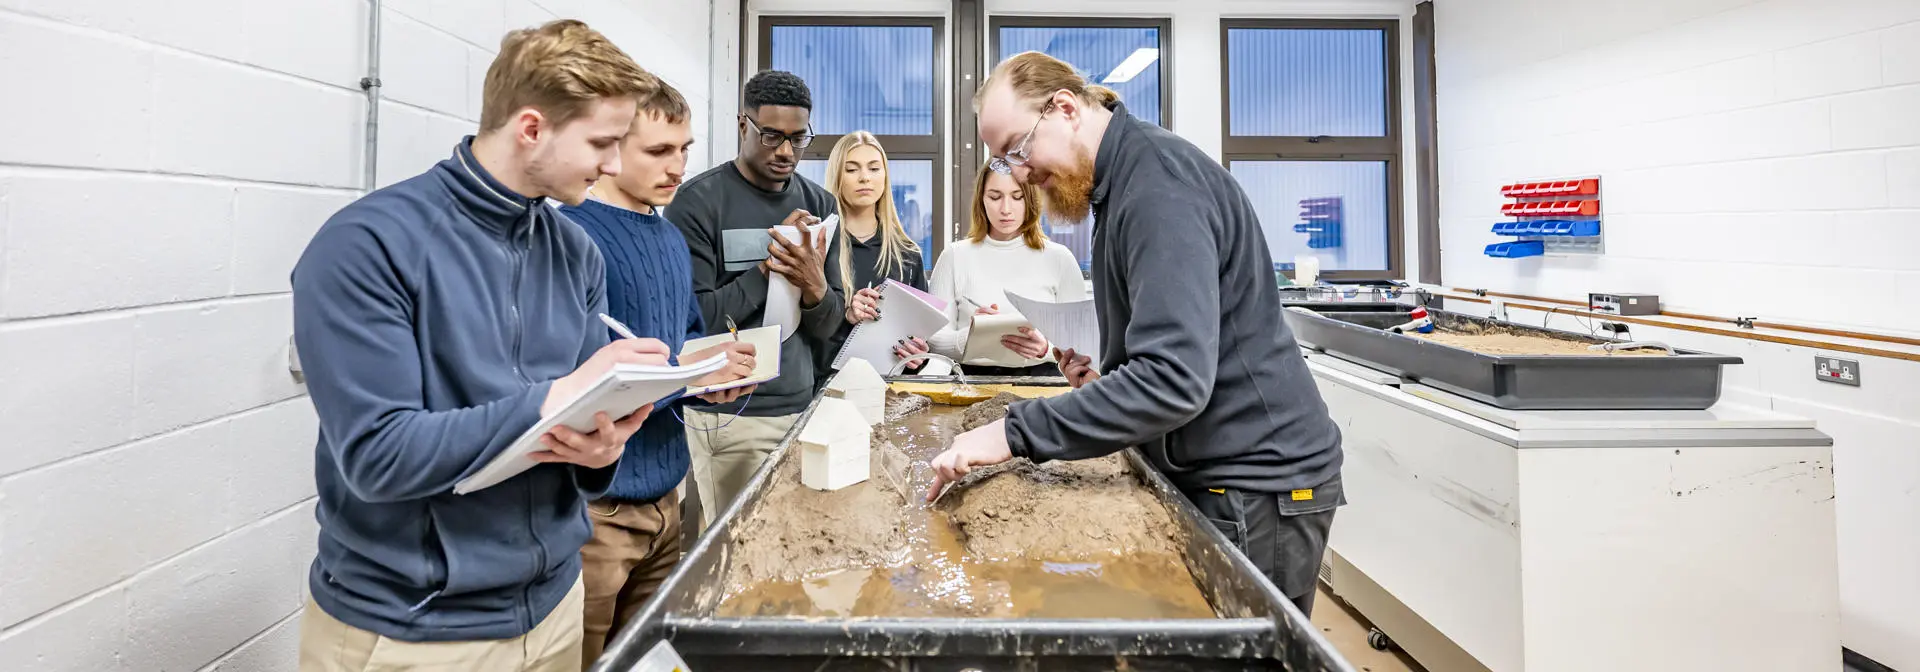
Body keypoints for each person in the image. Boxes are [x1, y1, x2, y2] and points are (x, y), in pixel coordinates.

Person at [291, 20, 671, 671]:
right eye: (603, 143)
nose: (613, 165)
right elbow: (379, 457)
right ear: (531, 128)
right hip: (416, 634)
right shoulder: (366, 246)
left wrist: (600, 450)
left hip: (554, 606)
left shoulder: (575, 251)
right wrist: (561, 395)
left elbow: (574, 424)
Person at [928, 51, 1346, 617]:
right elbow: (1183, 350)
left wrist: (1012, 432)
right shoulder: (1121, 184)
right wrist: (1111, 376)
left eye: (1018, 151)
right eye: (1002, 160)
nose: (1019, 175)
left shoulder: (1157, 191)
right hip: (1223, 466)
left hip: (1257, 484)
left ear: (1065, 109)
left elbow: (1175, 380)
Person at [556, 77, 757, 665]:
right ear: (613, 148)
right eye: (659, 152)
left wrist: (712, 377)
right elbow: (575, 375)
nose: (678, 167)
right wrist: (685, 375)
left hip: (668, 500)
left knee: (650, 658)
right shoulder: (571, 235)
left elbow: (683, 340)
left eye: (685, 149)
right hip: (599, 512)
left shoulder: (669, 239)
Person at [668, 70, 844, 529]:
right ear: (742, 125)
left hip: (801, 410)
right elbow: (698, 320)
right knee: (732, 557)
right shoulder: (697, 203)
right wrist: (767, 270)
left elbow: (830, 326)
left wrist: (814, 286)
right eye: (771, 136)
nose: (786, 152)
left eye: (798, 138)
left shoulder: (821, 204)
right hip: (727, 417)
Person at [922, 161, 1085, 376]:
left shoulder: (1059, 258)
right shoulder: (954, 256)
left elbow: (1081, 338)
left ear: (1030, 200)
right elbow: (934, 340)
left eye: (1017, 197)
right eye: (995, 197)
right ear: (981, 200)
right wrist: (969, 336)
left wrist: (1046, 348)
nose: (1006, 209)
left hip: (1041, 381)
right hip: (970, 382)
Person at [820, 131, 931, 374]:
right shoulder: (819, 247)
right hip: (827, 391)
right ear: (837, 176)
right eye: (851, 169)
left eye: (873, 168)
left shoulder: (908, 255)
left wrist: (918, 354)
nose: (864, 178)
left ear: (885, 177)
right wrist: (846, 317)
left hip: (893, 392)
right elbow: (801, 338)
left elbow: (920, 341)